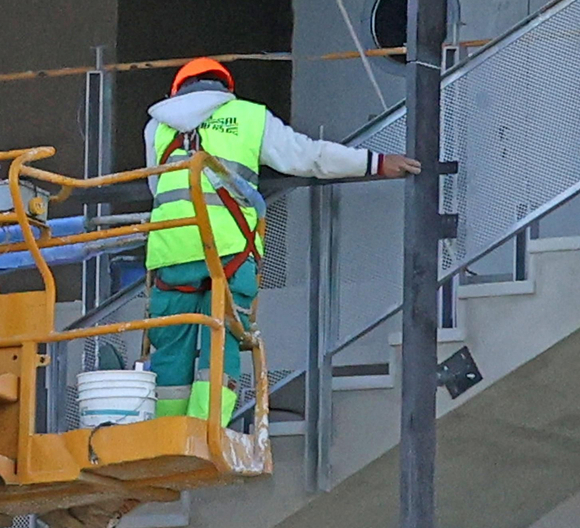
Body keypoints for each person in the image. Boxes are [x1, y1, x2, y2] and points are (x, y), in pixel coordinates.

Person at [144, 57, 421, 423]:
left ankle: (168, 435)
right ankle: (207, 433)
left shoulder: (157, 126)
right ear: (225, 89)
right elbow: (308, 157)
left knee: (169, 351)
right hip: (229, 252)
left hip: (171, 252)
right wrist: (376, 163)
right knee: (221, 343)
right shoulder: (249, 116)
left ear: (176, 91)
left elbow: (157, 187)